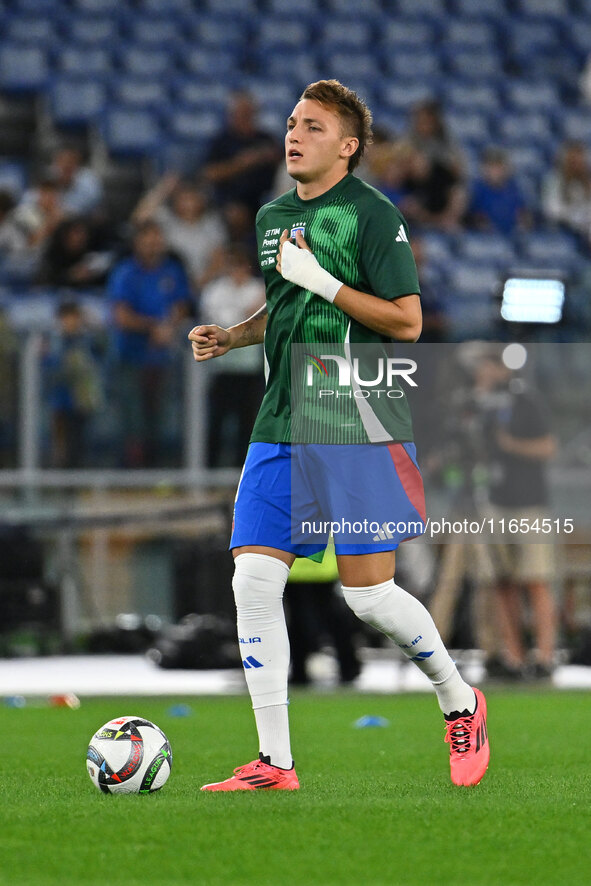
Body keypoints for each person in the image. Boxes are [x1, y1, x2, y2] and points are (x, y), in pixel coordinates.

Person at [189, 79, 489, 791]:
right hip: (282, 416)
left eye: (314, 126)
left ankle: (457, 697)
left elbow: (407, 323)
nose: (294, 134)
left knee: (367, 596)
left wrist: (320, 281)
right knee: (253, 578)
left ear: (347, 146)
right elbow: (285, 299)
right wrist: (236, 334)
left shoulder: (371, 216)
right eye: (292, 123)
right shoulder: (273, 215)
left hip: (356, 413)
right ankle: (275, 762)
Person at [108, 220, 191, 467]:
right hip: (130, 357)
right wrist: (154, 327)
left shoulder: (172, 271)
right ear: (137, 242)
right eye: (148, 239)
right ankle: (130, 474)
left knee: (159, 420)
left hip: (162, 358)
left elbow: (181, 306)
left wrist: (169, 327)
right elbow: (121, 316)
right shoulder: (126, 272)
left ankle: (156, 472)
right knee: (132, 420)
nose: (153, 244)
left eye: (157, 239)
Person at [200, 244, 265, 467]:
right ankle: (211, 469)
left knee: (248, 421)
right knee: (217, 419)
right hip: (222, 367)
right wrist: (244, 316)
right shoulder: (215, 290)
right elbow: (217, 323)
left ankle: (242, 468)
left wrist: (241, 320)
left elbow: (255, 321)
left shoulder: (258, 289)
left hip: (250, 368)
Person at [131, 173, 225, 291]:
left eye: (192, 198)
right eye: (184, 198)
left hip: (204, 283)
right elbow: (138, 219)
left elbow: (219, 259)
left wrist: (198, 284)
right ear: (176, 200)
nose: (189, 204)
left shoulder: (211, 222)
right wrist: (163, 190)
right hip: (169, 280)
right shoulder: (167, 219)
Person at [203, 90, 282, 222]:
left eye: (249, 113)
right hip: (232, 199)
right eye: (241, 114)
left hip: (266, 196)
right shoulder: (222, 141)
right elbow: (209, 174)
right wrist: (241, 163)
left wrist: (271, 157)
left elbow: (284, 165)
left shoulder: (266, 138)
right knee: (236, 215)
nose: (246, 118)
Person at [467, 146, 531, 234]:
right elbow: (476, 218)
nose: (495, 171)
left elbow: (523, 214)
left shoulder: (515, 188)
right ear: (484, 168)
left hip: (513, 236)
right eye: (491, 166)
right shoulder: (477, 189)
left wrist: (522, 226)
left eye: (499, 166)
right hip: (485, 238)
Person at [541, 140, 591, 244]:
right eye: (574, 161)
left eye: (581, 161)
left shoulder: (586, 181)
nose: (578, 165)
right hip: (566, 226)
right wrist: (574, 215)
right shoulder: (554, 181)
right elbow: (551, 209)